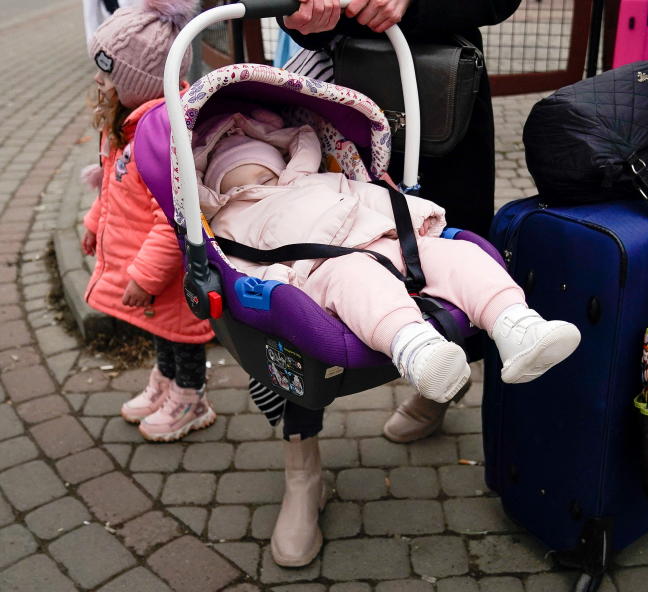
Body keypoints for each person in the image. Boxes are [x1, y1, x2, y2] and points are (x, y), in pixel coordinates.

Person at [194, 109, 580, 567]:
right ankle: (416, 348)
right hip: (322, 267)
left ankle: (518, 324)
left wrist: (421, 220)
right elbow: (240, 268)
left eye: (263, 163)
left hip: (389, 239)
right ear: (216, 185)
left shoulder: (320, 179)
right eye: (236, 171)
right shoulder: (229, 220)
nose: (255, 174)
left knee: (455, 256)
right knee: (358, 281)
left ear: (283, 158)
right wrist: (270, 289)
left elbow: (379, 198)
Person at [269, 0, 526, 445]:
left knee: (440, 250)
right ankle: (302, 456)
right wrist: (298, 0)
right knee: (307, 260)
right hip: (329, 94)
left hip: (433, 101)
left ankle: (442, 383)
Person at [83, 0, 217, 442]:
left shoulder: (160, 138)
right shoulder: (128, 127)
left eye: (108, 77)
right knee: (161, 328)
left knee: (183, 333)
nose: (100, 86)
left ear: (139, 81)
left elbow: (176, 218)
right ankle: (165, 382)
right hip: (149, 269)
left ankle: (190, 396)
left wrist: (145, 274)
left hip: (166, 270)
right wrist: (95, 220)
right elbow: (113, 187)